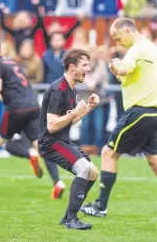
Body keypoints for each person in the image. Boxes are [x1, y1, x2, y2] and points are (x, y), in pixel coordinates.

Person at [80, 17, 157, 220]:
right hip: (156, 113)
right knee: (156, 161)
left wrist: (114, 64)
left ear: (127, 30)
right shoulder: (154, 50)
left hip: (139, 112)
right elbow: (156, 78)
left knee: (108, 154)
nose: (118, 42)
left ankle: (100, 206)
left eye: (118, 38)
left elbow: (124, 69)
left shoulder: (136, 50)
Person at [0, 35, 65, 199]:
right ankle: (58, 183)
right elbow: (12, 89)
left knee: (3, 142)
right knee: (42, 146)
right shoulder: (11, 62)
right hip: (33, 105)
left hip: (17, 108)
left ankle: (29, 154)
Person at [38, 48, 100, 229]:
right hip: (50, 143)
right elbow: (52, 126)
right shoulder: (59, 89)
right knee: (84, 169)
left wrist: (88, 108)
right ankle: (72, 220)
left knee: (93, 173)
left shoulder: (71, 89)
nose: (88, 69)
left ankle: (67, 217)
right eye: (85, 65)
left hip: (61, 140)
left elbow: (68, 121)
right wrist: (75, 112)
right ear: (72, 67)